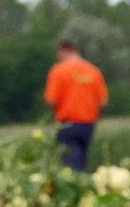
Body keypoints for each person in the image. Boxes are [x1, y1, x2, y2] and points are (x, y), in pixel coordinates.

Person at [43, 40, 108, 172]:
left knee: (69, 165)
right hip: (88, 124)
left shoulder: (59, 71)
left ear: (63, 51)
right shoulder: (93, 71)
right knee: (81, 159)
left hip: (67, 123)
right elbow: (103, 101)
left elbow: (51, 100)